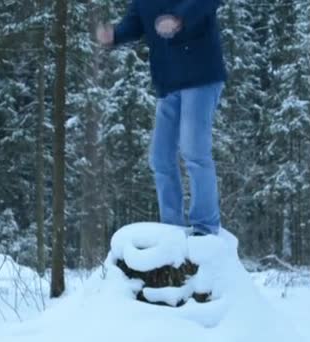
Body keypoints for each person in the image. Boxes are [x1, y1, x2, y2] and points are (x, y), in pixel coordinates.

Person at [97, 0, 227, 236]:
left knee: (194, 151)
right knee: (160, 158)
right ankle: (172, 228)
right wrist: (114, 34)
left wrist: (179, 17)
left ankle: (205, 227)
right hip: (168, 84)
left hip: (201, 76)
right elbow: (135, 22)